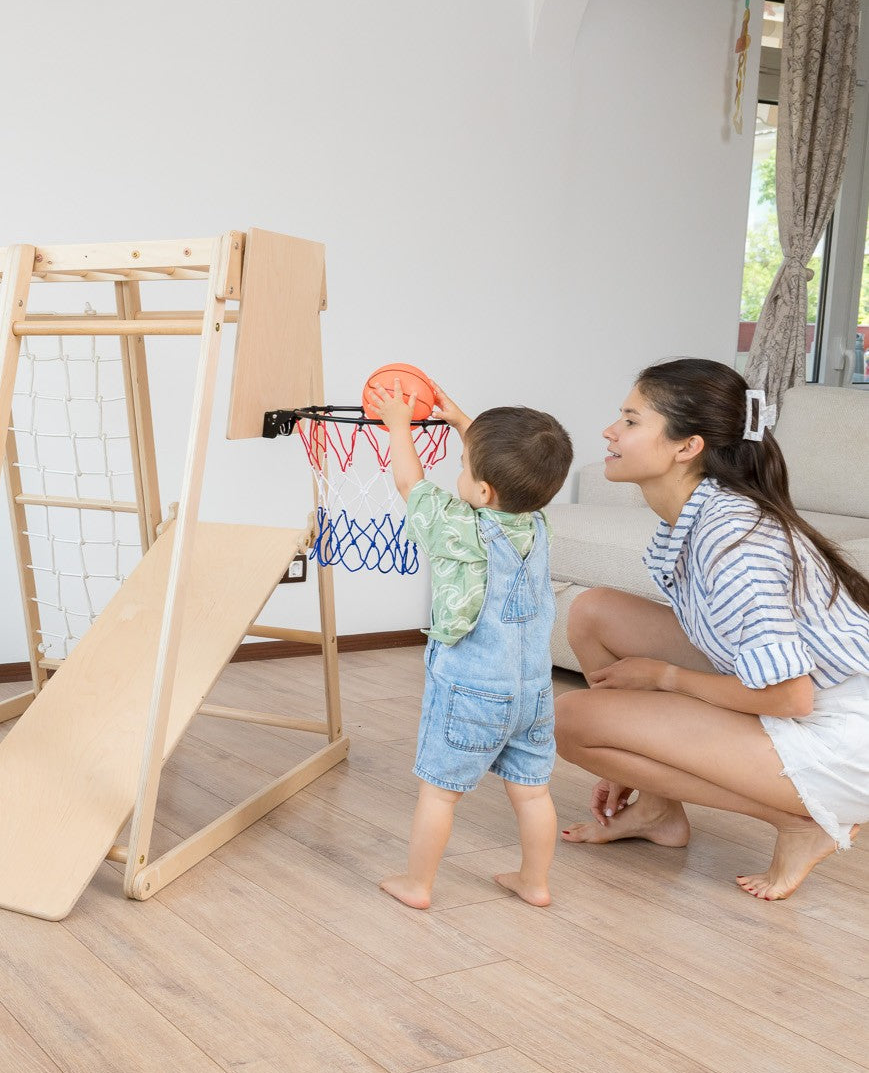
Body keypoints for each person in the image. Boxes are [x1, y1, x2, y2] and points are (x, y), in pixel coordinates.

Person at [557, 358, 869, 899]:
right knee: (592, 612)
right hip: (815, 692)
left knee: (569, 720)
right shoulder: (701, 515)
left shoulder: (733, 544)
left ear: (687, 446)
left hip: (841, 729)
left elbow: (789, 696)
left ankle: (804, 822)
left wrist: (664, 679)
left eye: (631, 421)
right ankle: (658, 811)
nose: (610, 432)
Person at [369, 378, 574, 908]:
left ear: (482, 491)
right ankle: (535, 881)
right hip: (533, 693)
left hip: (471, 690)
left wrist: (397, 426)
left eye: (464, 466)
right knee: (532, 793)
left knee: (440, 790)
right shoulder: (538, 521)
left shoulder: (461, 527)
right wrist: (466, 422)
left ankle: (418, 885)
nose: (458, 472)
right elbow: (503, 471)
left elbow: (411, 484)